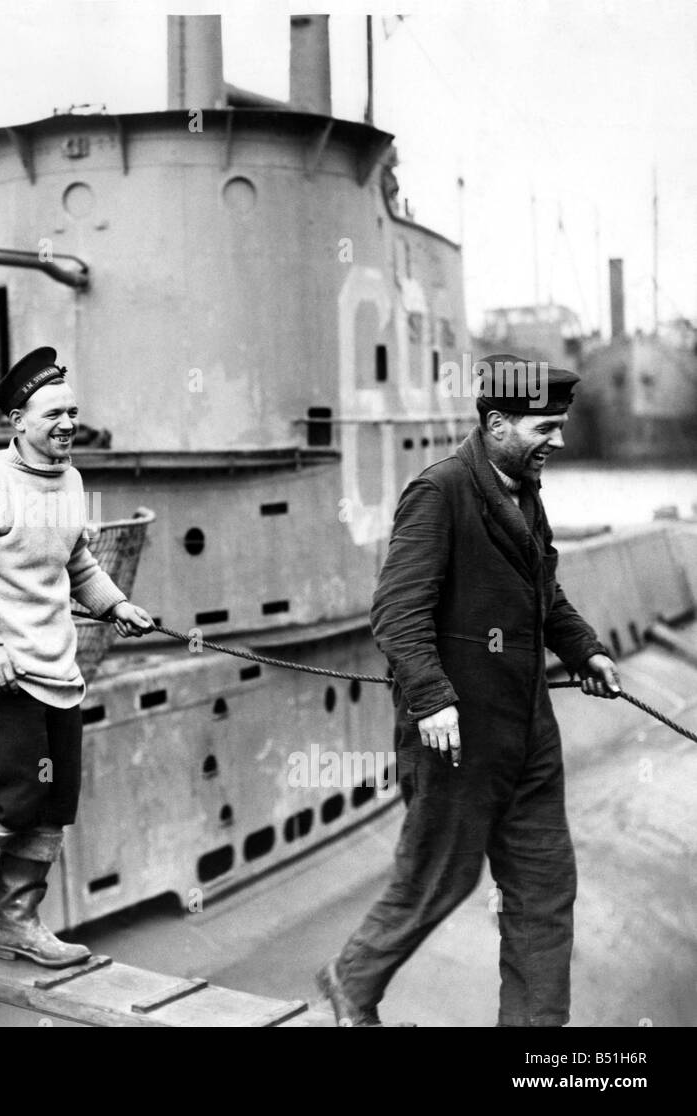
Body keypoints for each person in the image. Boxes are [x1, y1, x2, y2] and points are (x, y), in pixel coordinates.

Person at [317, 353, 621, 1027]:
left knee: (545, 890)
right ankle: (352, 978)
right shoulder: (441, 492)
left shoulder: (521, 488)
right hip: (456, 737)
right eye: (546, 427)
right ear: (497, 423)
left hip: (529, 733)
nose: (561, 442)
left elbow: (544, 593)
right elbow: (397, 611)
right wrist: (430, 697)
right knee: (437, 880)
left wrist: (586, 650)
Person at [0, 346, 154, 967]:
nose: (67, 424)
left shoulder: (70, 479)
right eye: (53, 414)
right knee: (15, 790)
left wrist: (114, 605)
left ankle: (17, 923)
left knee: (53, 802)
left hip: (58, 669)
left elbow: (75, 561)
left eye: (72, 412)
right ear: (17, 421)